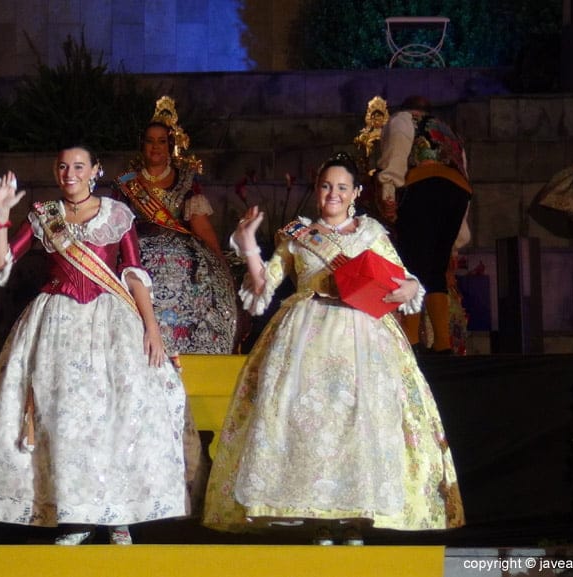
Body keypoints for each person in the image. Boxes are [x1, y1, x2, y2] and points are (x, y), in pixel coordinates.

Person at [202, 153, 464, 544]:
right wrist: (247, 245)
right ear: (317, 189)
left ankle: (354, 516)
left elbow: (405, 280)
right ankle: (317, 517)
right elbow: (263, 286)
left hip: (364, 338)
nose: (333, 194)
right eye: (326, 186)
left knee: (357, 423)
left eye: (342, 187)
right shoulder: (297, 234)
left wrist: (407, 289)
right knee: (310, 424)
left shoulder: (370, 234)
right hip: (305, 337)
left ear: (356, 192)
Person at [0, 145, 191, 545]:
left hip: (112, 325)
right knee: (64, 419)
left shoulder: (117, 214)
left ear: (95, 170)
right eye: (63, 166)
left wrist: (152, 328)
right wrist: (0, 214)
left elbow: (133, 273)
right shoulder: (44, 215)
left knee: (116, 416)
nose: (70, 173)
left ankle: (117, 515)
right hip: (58, 323)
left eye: (79, 166)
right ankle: (76, 513)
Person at [111, 96, 237, 354]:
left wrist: (220, 265)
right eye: (149, 141)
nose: (155, 147)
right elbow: (115, 229)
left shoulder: (186, 182)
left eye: (161, 141)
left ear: (170, 146)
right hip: (137, 254)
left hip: (184, 258)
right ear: (141, 146)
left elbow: (201, 227)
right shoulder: (126, 184)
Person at [376, 95, 472, 354]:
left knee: (412, 264)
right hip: (458, 194)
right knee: (436, 269)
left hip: (424, 187)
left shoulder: (404, 119)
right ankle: (443, 343)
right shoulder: (450, 132)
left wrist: (388, 191)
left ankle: (412, 340)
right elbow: (463, 171)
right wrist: (458, 240)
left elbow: (397, 149)